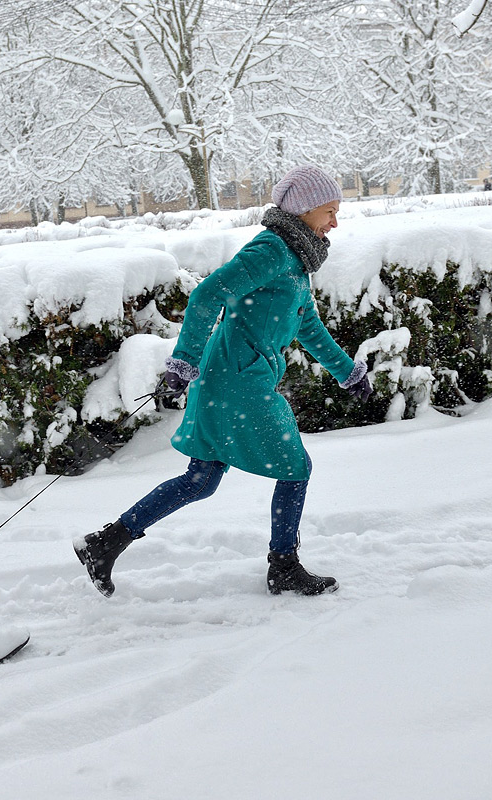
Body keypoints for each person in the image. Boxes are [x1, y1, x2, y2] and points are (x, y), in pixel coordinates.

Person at [75, 165, 373, 598]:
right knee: (295, 468)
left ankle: (104, 544)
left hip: (233, 376)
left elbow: (306, 324)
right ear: (305, 210)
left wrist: (347, 372)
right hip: (238, 380)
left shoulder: (296, 258)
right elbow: (207, 294)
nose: (335, 222)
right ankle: (284, 566)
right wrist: (183, 362)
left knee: (202, 478)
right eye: (329, 211)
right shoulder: (273, 250)